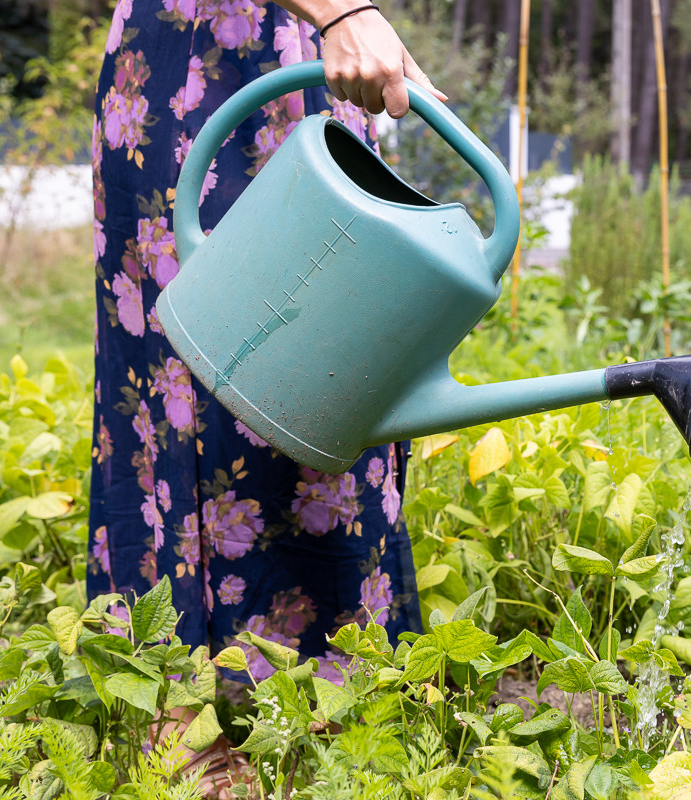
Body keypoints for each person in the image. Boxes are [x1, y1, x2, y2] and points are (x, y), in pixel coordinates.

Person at [88, 1, 442, 791]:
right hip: (199, 70)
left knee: (331, 363)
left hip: (308, 76)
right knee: (197, 368)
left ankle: (337, 707)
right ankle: (188, 719)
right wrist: (343, 11)